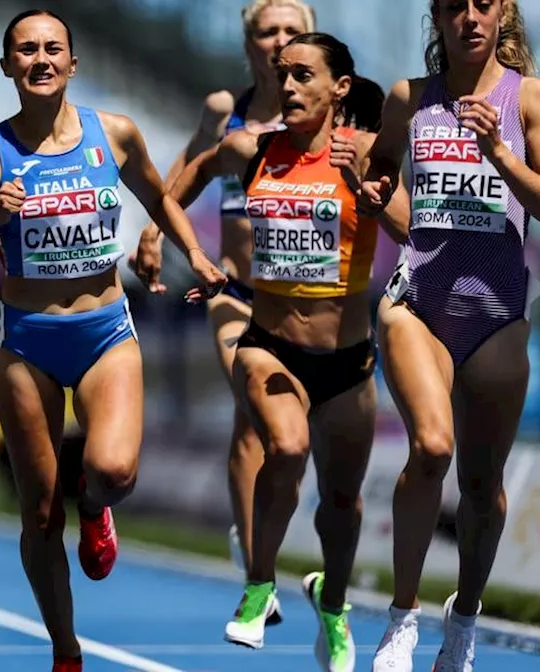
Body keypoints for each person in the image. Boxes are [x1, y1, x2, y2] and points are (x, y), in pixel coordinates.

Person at [0, 10, 227, 672]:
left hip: (103, 330)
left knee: (114, 471)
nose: (39, 59)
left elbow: (161, 199)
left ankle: (96, 508)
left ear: (73, 63)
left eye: (52, 49)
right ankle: (65, 651)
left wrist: (199, 259)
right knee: (39, 513)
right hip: (26, 341)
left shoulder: (114, 133)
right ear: (8, 65)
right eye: (25, 50)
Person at [165, 31, 400, 672]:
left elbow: (411, 226)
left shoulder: (371, 152)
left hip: (348, 362)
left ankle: (334, 598)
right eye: (282, 75)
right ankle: (259, 585)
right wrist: (189, 254)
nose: (289, 87)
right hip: (267, 346)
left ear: (339, 89)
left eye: (303, 76)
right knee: (288, 447)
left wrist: (373, 189)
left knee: (343, 504)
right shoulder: (251, 150)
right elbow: (173, 189)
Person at [358, 1, 540, 669]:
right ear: (435, 16)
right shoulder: (409, 100)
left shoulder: (528, 100)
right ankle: (401, 619)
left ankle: (462, 619)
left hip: (496, 312)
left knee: (483, 486)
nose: (469, 16)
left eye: (483, 3)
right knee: (431, 447)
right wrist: (375, 192)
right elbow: (383, 187)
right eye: (455, 4)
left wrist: (496, 151)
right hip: (419, 304)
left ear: (502, 15)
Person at [131, 2, 316, 625]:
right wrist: (157, 234)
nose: (281, 41)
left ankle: (259, 542)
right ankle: (255, 572)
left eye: (294, 31)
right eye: (269, 32)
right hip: (236, 294)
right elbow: (184, 172)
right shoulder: (224, 110)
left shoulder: (333, 114)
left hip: (308, 303)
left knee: (272, 433)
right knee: (251, 407)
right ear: (250, 46)